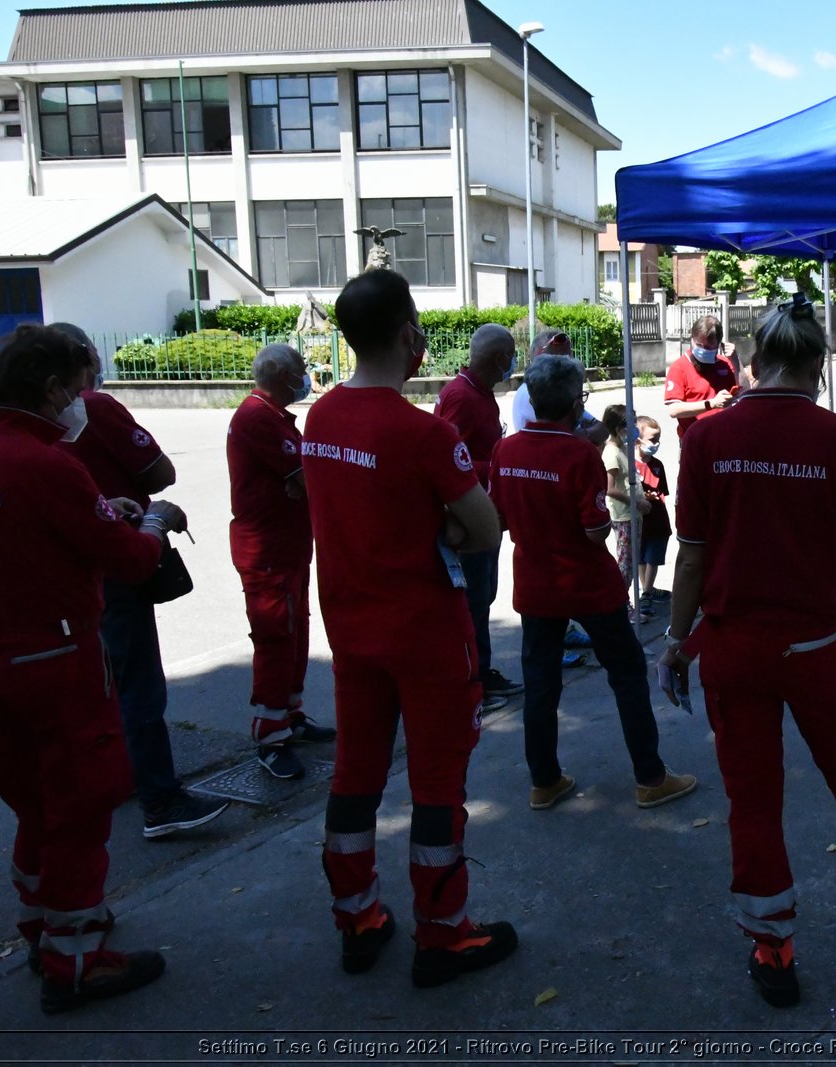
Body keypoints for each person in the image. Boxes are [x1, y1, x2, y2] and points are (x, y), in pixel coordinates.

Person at [660, 295, 836, 1009]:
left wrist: (672, 644)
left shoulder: (710, 440)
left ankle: (772, 946)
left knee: (753, 800)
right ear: (818, 365)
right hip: (816, 647)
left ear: (751, 364)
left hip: (730, 646)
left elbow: (690, 560)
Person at [0, 325, 192, 1012]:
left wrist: (105, 513)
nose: (82, 400)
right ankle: (79, 959)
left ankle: (41, 921)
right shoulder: (47, 463)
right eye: (77, 388)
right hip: (58, 654)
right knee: (81, 805)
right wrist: (151, 522)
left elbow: (20, 535)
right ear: (52, 388)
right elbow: (132, 561)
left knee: (33, 800)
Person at [303, 269, 517, 989]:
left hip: (352, 629)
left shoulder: (320, 417)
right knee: (436, 785)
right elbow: (484, 528)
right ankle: (444, 931)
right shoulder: (424, 432)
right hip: (425, 634)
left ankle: (357, 915)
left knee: (356, 776)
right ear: (407, 335)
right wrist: (449, 521)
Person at [488, 354, 698, 813]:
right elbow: (594, 530)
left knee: (540, 679)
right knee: (626, 673)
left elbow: (498, 518)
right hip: (585, 581)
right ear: (572, 403)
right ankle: (650, 777)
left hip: (534, 579)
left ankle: (543, 780)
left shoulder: (506, 449)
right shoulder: (578, 453)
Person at [50, 322, 228, 840]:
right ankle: (161, 799)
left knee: (105, 680)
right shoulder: (96, 409)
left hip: (76, 571)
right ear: (84, 358)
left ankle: (122, 776)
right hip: (118, 560)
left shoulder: (21, 435)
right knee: (139, 685)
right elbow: (159, 472)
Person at [226, 344, 335, 781]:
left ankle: (290, 715)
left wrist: (305, 481)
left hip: (288, 545)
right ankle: (269, 733)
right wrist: (306, 481)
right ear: (279, 374)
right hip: (267, 548)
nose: (306, 377)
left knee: (295, 629)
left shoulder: (273, 416)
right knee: (276, 635)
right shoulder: (257, 417)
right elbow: (310, 477)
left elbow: (307, 477)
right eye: (301, 371)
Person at [433, 324, 526, 710]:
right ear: (497, 359)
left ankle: (481, 671)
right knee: (472, 600)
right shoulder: (460, 396)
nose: (513, 361)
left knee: (482, 597)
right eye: (510, 354)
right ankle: (470, 681)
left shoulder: (480, 393)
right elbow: (448, 456)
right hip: (467, 516)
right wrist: (499, 464)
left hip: (484, 510)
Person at [600, 404, 651, 619]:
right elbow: (610, 488)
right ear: (617, 426)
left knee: (630, 561)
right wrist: (636, 502)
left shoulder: (623, 447)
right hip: (623, 516)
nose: (634, 427)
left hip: (633, 514)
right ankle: (621, 606)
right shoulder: (611, 453)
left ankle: (623, 604)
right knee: (625, 564)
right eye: (630, 423)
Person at [664, 314, 742, 440]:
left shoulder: (726, 364)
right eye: (699, 345)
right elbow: (674, 410)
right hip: (694, 439)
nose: (703, 350)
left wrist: (736, 361)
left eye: (708, 347)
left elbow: (745, 392)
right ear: (692, 339)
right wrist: (711, 404)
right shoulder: (679, 367)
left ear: (719, 345)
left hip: (724, 437)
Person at [634, 415, 673, 601]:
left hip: (657, 519)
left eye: (658, 439)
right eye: (652, 439)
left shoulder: (657, 465)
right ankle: (646, 590)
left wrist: (654, 497)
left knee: (653, 557)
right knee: (641, 557)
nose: (656, 443)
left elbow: (662, 492)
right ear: (637, 438)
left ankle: (647, 592)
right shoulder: (630, 464)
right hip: (639, 520)